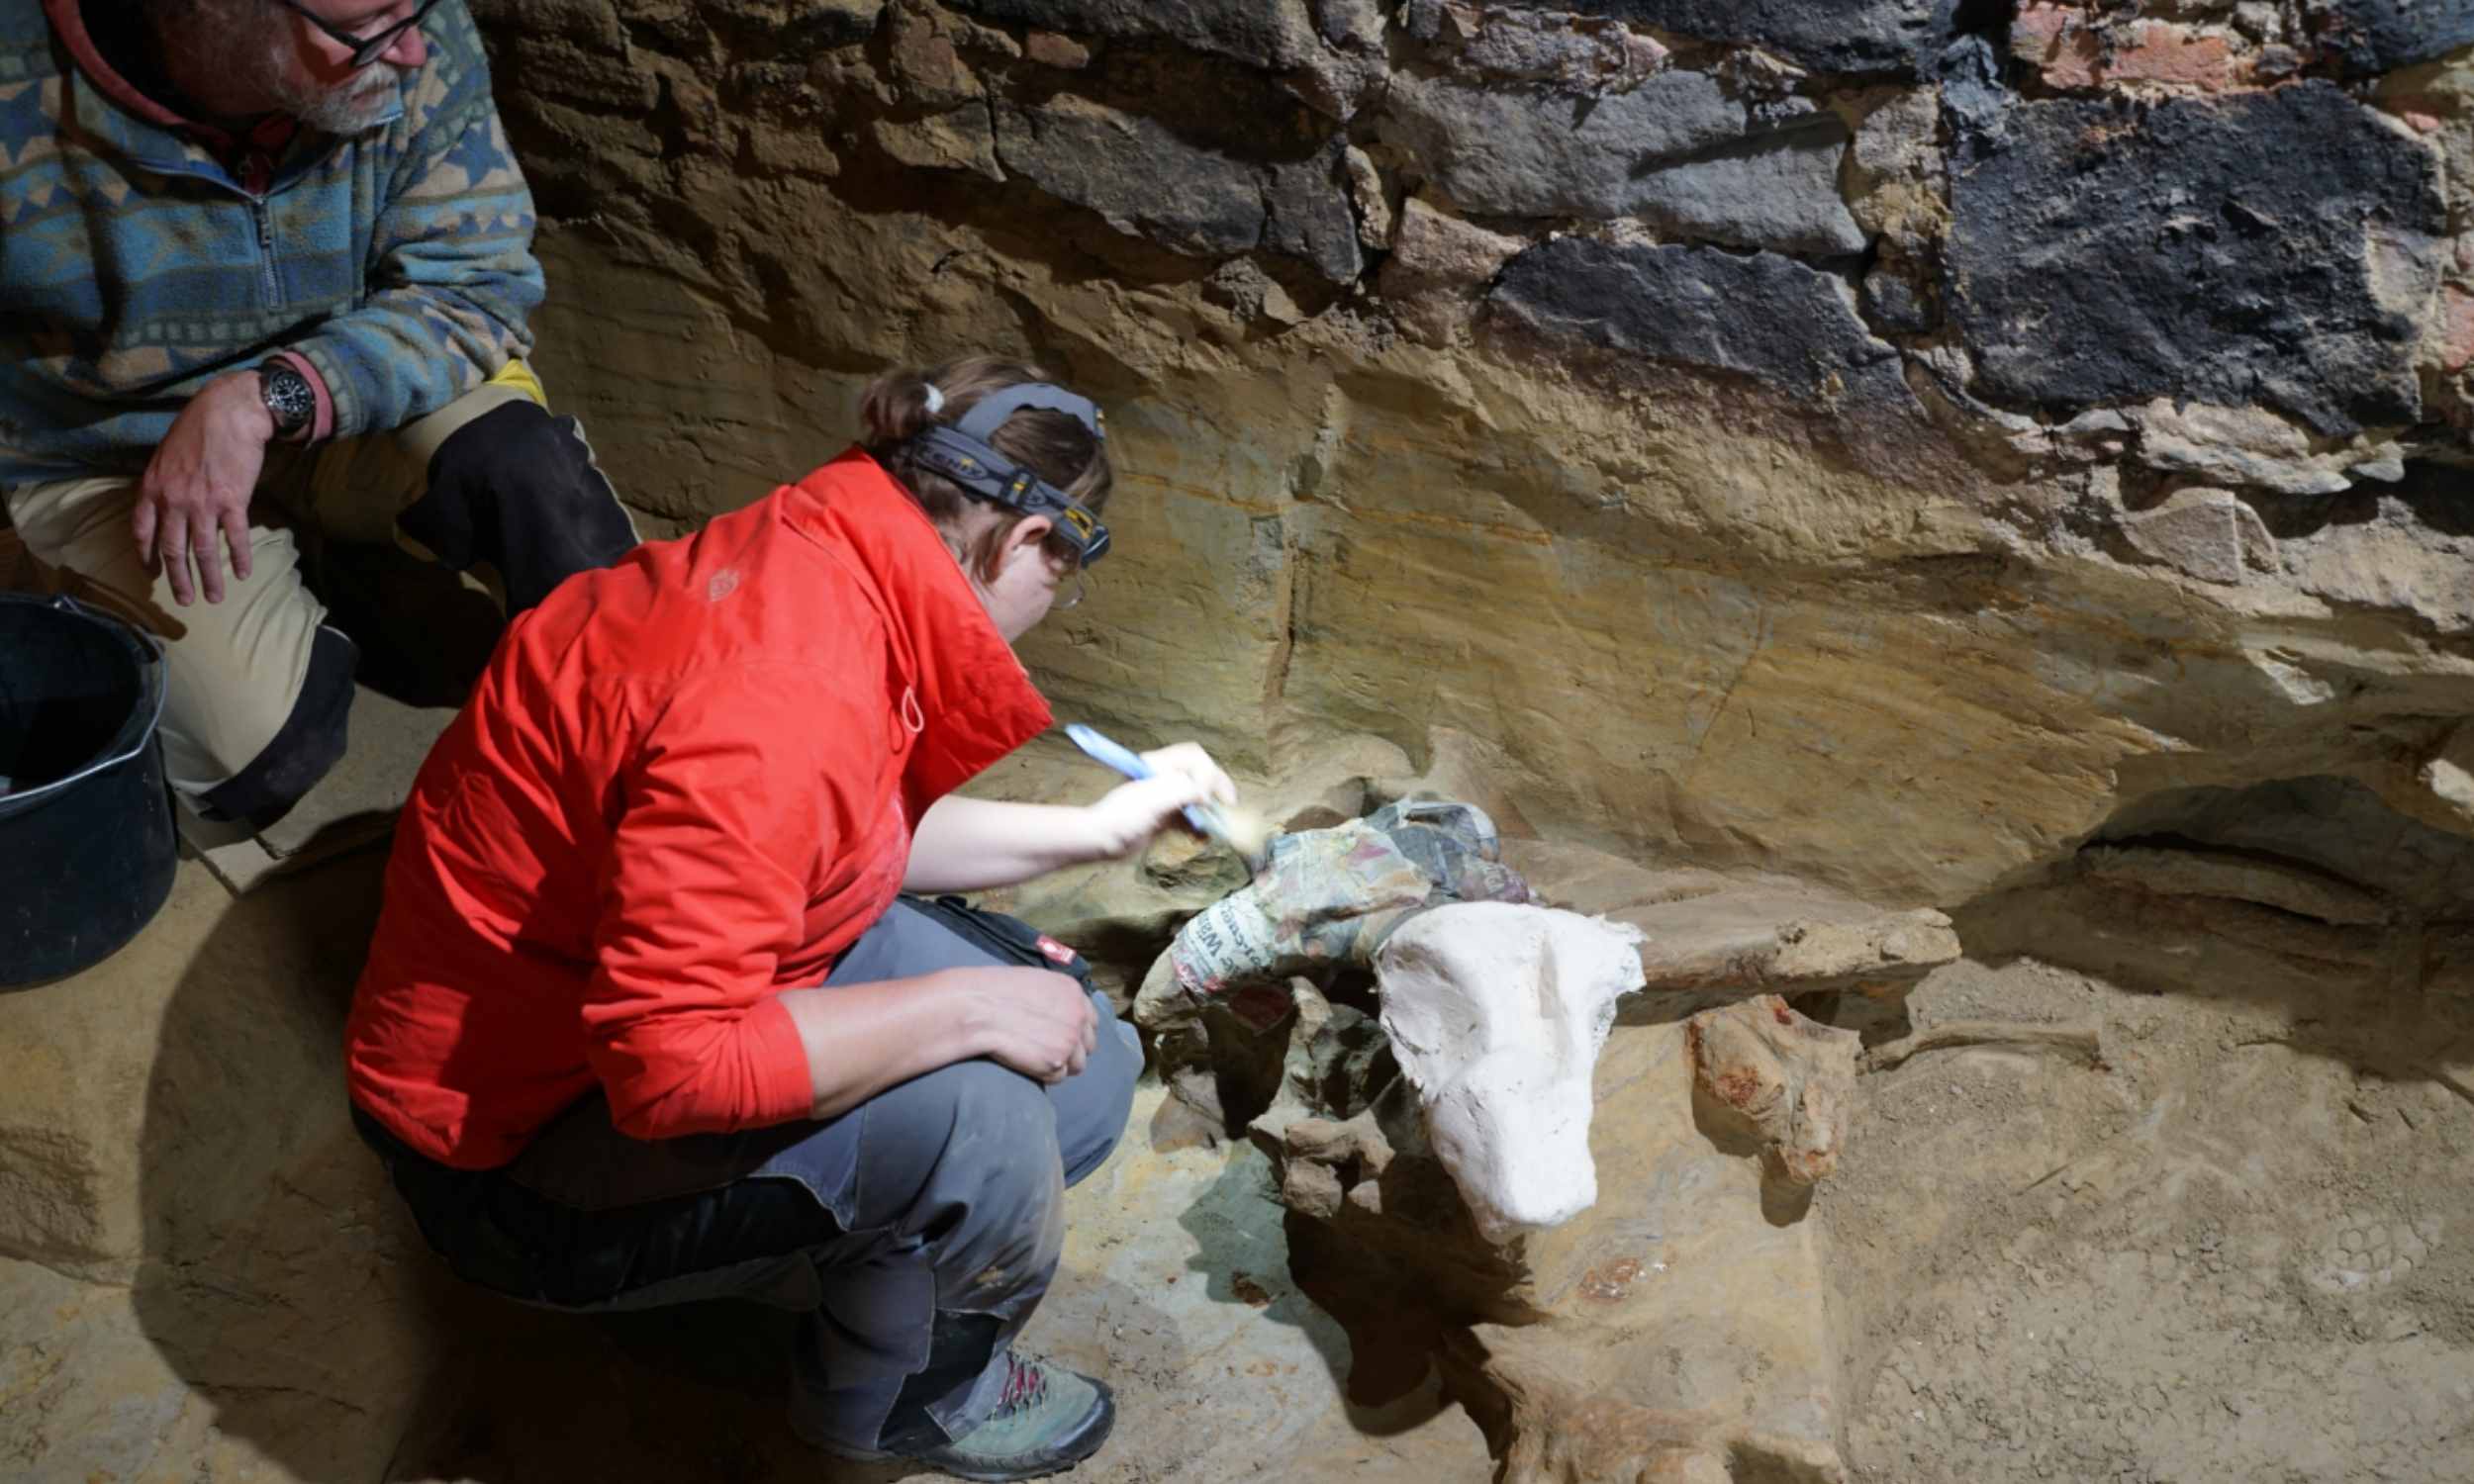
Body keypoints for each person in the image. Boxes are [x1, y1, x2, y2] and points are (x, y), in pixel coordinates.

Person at [342, 356, 1237, 1480]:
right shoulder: (783, 690)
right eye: (1068, 571)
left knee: (1084, 1066)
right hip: (516, 1153)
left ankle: (851, 1253)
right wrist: (965, 1007)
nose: (1056, 602)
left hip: (591, 1011)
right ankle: (909, 1398)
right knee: (987, 1118)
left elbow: (832, 833)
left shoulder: (818, 553)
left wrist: (1096, 830)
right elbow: (667, 1064)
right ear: (1022, 544)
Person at [0, 0, 636, 828]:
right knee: (253, 763)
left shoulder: (409, 27)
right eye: (365, 32)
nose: (412, 50)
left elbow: (477, 287)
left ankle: (344, 566)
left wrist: (268, 395)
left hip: (343, 389)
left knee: (539, 495)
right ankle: (84, 588)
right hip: (114, 455)